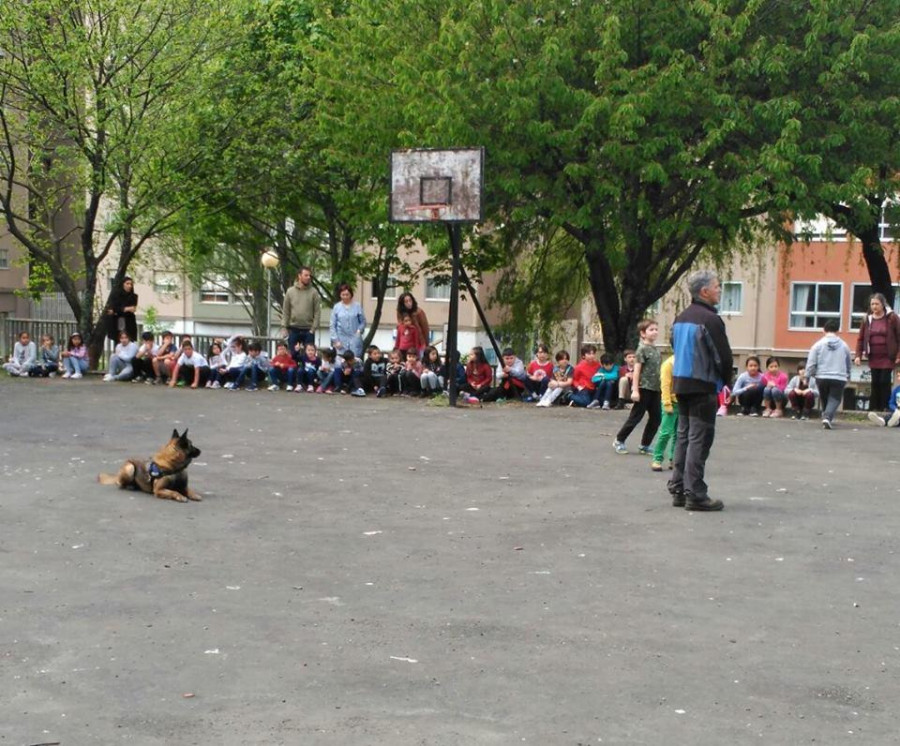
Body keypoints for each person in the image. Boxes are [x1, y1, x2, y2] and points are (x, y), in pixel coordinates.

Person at [667, 269, 733, 512]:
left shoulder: (681, 317)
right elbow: (722, 356)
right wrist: (726, 381)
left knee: (684, 435)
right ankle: (695, 492)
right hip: (702, 384)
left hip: (681, 383)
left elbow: (674, 345)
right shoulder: (710, 320)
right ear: (704, 291)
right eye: (717, 286)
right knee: (699, 438)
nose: (719, 290)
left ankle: (678, 488)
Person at [613, 319, 662, 455]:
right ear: (643, 333)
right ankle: (619, 440)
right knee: (636, 416)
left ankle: (645, 445)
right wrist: (635, 390)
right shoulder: (641, 350)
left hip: (655, 389)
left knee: (656, 418)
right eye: (651, 329)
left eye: (656, 329)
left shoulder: (656, 351)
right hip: (643, 388)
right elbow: (637, 371)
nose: (655, 332)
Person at [854, 292, 900, 413]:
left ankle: (886, 407)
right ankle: (874, 408)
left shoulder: (892, 317)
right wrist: (858, 355)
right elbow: (861, 338)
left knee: (884, 380)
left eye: (877, 304)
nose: (874, 307)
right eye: (872, 304)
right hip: (873, 356)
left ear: (883, 304)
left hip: (888, 356)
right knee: (875, 381)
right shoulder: (867, 319)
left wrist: (898, 355)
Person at [806, 318, 852, 430]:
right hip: (839, 377)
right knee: (835, 398)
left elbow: (811, 363)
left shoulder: (817, 345)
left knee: (824, 397)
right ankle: (827, 416)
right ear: (838, 331)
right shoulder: (844, 345)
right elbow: (848, 362)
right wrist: (848, 375)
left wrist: (810, 375)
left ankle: (826, 416)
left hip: (821, 376)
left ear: (824, 330)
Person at [281, 267, 321, 353]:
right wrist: (284, 327)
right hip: (293, 329)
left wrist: (313, 329)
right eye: (306, 275)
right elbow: (286, 311)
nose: (308, 277)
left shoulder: (314, 292)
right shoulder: (290, 291)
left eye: (309, 275)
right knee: (293, 355)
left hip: (308, 330)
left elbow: (317, 312)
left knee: (308, 357)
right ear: (299, 276)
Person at [651, 352, 677, 472]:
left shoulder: (687, 362)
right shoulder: (669, 364)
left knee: (680, 434)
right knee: (666, 432)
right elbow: (665, 385)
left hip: (683, 402)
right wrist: (667, 403)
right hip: (671, 402)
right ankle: (657, 458)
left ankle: (674, 458)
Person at [329, 283, 366, 359]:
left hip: (354, 338)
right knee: (341, 362)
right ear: (340, 295)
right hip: (341, 339)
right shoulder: (336, 307)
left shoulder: (357, 306)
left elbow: (363, 321)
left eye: (347, 294)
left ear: (351, 295)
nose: (345, 297)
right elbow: (332, 325)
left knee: (354, 361)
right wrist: (336, 340)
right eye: (343, 295)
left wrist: (359, 331)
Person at [105, 276, 138, 344]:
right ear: (122, 284)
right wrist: (124, 309)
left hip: (129, 321)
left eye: (131, 284)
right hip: (118, 320)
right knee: (119, 340)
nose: (129, 286)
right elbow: (111, 309)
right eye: (127, 283)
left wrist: (118, 310)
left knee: (129, 340)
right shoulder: (116, 295)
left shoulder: (133, 296)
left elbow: (132, 309)